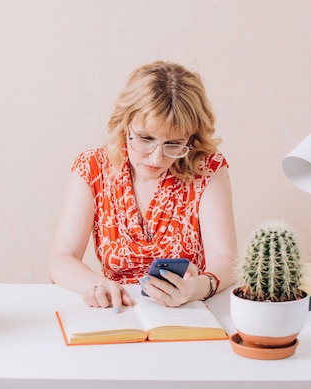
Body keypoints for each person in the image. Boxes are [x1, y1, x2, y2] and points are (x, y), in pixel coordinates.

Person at [47, 61, 237, 312]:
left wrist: (198, 288)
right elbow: (61, 258)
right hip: (117, 310)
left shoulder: (208, 167)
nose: (157, 158)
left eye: (174, 144)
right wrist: (97, 285)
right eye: (146, 139)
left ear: (191, 138)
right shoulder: (92, 167)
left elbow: (226, 257)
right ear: (124, 125)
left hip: (186, 311)